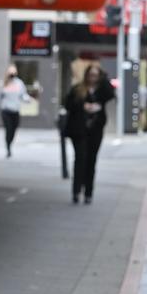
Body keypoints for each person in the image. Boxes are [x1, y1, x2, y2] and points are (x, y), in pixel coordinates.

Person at [63, 65, 115, 204]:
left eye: (95, 75)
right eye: (91, 75)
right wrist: (83, 106)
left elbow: (111, 93)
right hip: (79, 130)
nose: (93, 78)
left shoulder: (102, 90)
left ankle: (88, 192)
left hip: (95, 130)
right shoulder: (78, 89)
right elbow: (67, 104)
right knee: (80, 159)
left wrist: (103, 76)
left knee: (91, 161)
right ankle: (76, 191)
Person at [0, 66, 30, 157]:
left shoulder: (19, 83)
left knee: (13, 130)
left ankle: (10, 143)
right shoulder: (3, 84)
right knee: (8, 129)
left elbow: (23, 95)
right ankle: (8, 148)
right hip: (6, 111)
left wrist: (27, 99)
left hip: (15, 110)